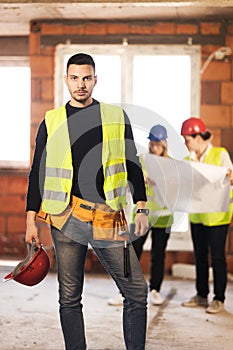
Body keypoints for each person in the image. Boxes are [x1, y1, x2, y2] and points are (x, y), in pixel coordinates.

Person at [25, 53, 149, 350]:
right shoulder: (52, 120)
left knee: (136, 292)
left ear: (95, 80)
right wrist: (30, 220)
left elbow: (132, 162)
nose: (81, 84)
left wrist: (142, 205)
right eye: (75, 77)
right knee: (69, 297)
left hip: (108, 216)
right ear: (66, 80)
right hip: (65, 217)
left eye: (87, 78)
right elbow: (36, 172)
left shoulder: (116, 117)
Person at [108, 124, 173, 307]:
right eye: (151, 144)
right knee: (133, 252)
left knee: (158, 254)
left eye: (157, 144)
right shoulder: (143, 160)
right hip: (141, 215)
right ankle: (125, 291)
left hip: (163, 216)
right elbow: (131, 179)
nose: (153, 147)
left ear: (164, 144)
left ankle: (155, 290)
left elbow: (175, 190)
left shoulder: (171, 165)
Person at [180, 117, 233, 314]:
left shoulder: (220, 154)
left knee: (217, 257)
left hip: (218, 216)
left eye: (187, 139)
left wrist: (230, 177)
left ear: (198, 137)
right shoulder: (189, 161)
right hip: (197, 215)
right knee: (200, 257)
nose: (186, 144)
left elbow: (232, 178)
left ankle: (219, 298)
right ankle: (202, 295)